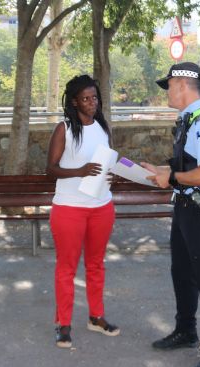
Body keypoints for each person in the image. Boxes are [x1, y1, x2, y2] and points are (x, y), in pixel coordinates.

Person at [141, 62, 200, 367]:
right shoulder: (189, 121)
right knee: (182, 272)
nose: (166, 91)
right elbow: (190, 166)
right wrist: (164, 172)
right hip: (186, 208)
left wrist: (173, 178)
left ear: (182, 84)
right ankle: (186, 331)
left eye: (168, 84)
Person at [46, 75, 119, 349]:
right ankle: (63, 325)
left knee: (96, 264)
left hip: (101, 206)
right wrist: (80, 171)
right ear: (74, 101)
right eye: (86, 99)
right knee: (66, 268)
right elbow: (50, 169)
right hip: (69, 208)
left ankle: (96, 316)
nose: (92, 103)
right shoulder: (63, 129)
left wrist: (112, 175)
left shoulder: (102, 126)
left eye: (95, 98)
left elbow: (105, 162)